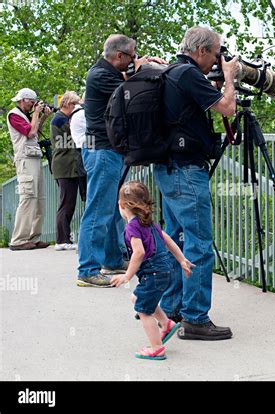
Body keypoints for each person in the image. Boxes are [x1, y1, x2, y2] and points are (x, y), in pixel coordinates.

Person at [153, 26, 237, 340]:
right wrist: (229, 77)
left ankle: (173, 308)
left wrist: (214, 81)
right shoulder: (188, 75)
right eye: (216, 53)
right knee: (199, 244)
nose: (218, 59)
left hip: (169, 169)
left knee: (176, 241)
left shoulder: (171, 72)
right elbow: (228, 108)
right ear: (201, 50)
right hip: (187, 171)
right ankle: (196, 318)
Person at [77, 34, 165, 287]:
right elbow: (130, 94)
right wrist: (141, 71)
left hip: (109, 150)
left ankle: (113, 259)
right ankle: (87, 270)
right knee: (98, 210)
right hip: (102, 150)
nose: (134, 59)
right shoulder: (100, 75)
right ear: (120, 56)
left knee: (114, 210)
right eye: (132, 55)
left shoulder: (107, 72)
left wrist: (140, 68)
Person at [110, 181, 195, 360]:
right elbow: (169, 241)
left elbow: (139, 252)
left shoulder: (131, 227)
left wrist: (127, 275)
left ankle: (157, 348)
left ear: (121, 205)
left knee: (143, 310)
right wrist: (181, 260)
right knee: (137, 298)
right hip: (164, 270)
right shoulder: (149, 223)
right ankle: (166, 324)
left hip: (153, 274)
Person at [6, 88, 52, 250]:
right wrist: (36, 113)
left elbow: (36, 131)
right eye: (32, 101)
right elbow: (31, 133)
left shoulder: (25, 115)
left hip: (34, 157)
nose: (33, 105)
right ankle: (18, 240)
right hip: (25, 160)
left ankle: (33, 237)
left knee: (39, 199)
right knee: (28, 197)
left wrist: (44, 115)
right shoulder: (14, 115)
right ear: (23, 100)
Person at [50, 91, 86, 251]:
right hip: (65, 166)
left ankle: (65, 238)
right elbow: (73, 137)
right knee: (66, 203)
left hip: (68, 166)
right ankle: (62, 239)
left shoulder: (62, 118)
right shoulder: (60, 120)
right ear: (67, 104)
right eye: (75, 104)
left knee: (68, 203)